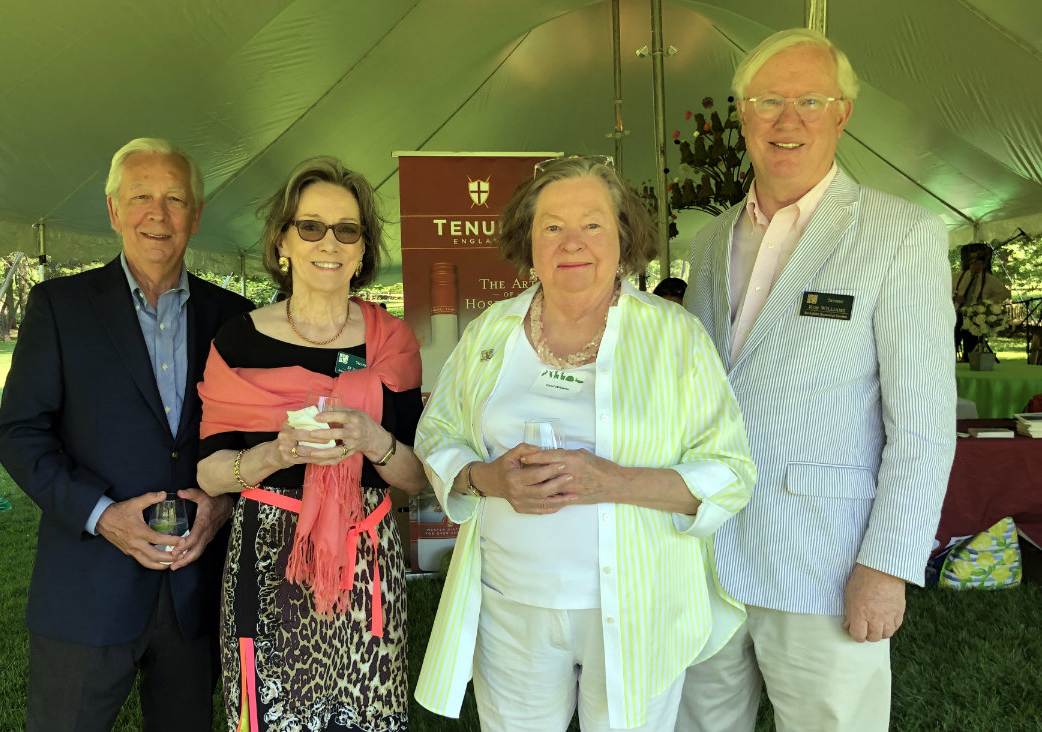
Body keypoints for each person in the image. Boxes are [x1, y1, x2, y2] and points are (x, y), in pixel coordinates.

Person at [413, 155, 756, 732]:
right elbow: (437, 434)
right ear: (529, 239)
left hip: (638, 603)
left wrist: (612, 481)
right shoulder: (490, 331)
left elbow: (732, 471)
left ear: (623, 235)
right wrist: (486, 478)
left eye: (592, 223)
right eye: (552, 226)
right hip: (510, 602)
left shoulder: (675, 336)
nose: (573, 242)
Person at [678, 29, 956, 732]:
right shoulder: (708, 241)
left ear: (843, 113)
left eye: (810, 99)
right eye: (769, 100)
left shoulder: (903, 236)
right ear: (740, 115)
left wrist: (887, 564)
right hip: (703, 552)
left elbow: (922, 425)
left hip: (826, 563)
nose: (787, 118)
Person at [0, 138, 255, 731]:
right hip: (87, 589)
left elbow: (254, 440)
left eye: (175, 198)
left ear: (196, 213)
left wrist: (220, 502)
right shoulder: (60, 306)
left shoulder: (234, 318)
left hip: (194, 591)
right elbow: (19, 433)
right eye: (140, 196)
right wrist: (103, 515)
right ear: (113, 210)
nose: (157, 214)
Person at [195, 156, 427, 732]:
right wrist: (278, 453)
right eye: (312, 226)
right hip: (269, 558)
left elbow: (418, 475)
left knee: (365, 716)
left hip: (366, 562)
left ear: (362, 249)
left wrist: (374, 439)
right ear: (283, 242)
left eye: (347, 229)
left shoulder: (390, 340)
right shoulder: (239, 338)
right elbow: (209, 474)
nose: (330, 242)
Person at [953, 249, 1010, 358]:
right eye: (974, 263)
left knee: (971, 346)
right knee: (952, 342)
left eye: (980, 264)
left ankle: (968, 363)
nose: (977, 266)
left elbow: (1005, 293)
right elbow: (943, 289)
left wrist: (988, 302)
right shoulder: (958, 277)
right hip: (958, 314)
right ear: (969, 264)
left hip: (975, 317)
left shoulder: (989, 279)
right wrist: (954, 297)